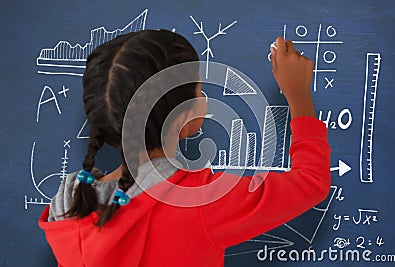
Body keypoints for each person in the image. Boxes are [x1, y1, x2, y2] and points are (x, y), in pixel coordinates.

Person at [38, 30, 331, 267]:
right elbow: (311, 182)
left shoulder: (69, 205)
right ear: (184, 118)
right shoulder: (201, 201)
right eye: (199, 90)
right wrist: (298, 95)